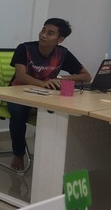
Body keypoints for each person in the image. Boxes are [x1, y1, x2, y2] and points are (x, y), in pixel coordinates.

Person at [7, 18, 92, 171]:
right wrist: (42, 83)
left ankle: (54, 158)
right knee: (18, 113)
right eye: (43, 30)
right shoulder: (25, 49)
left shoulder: (62, 53)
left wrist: (60, 78)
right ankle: (18, 154)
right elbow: (21, 76)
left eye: (50, 33)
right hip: (19, 93)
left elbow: (86, 76)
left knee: (64, 112)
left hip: (45, 96)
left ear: (60, 39)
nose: (43, 35)